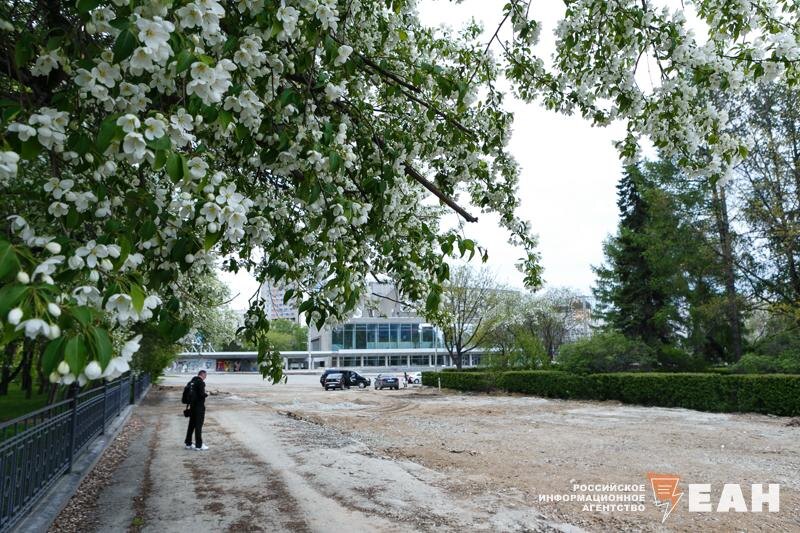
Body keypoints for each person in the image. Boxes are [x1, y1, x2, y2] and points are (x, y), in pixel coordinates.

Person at [184, 370, 209, 451]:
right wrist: (207, 394)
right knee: (198, 426)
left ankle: (188, 443)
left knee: (191, 426)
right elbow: (201, 395)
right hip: (199, 408)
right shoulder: (200, 382)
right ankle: (199, 445)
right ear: (203, 375)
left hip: (192, 407)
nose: (205, 377)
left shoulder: (191, 382)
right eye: (205, 376)